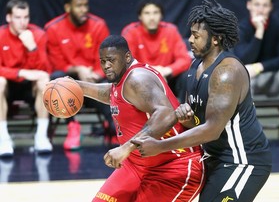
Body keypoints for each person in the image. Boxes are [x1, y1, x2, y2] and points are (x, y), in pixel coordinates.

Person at [131, 0, 272, 202]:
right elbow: (197, 122)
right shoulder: (195, 66)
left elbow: (211, 130)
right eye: (190, 34)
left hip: (244, 161)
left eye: (196, 36)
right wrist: (184, 117)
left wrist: (160, 146)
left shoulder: (227, 72)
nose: (189, 40)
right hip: (213, 157)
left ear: (216, 39)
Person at [75, 35, 205, 201]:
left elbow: (165, 113)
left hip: (173, 165)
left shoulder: (138, 79)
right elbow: (113, 94)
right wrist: (78, 86)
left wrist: (126, 148)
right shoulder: (123, 79)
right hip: (137, 164)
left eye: (111, 60)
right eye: (102, 61)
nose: (106, 66)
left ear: (127, 57)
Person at [45, 0, 116, 150]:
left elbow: (107, 58)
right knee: (55, 77)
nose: (84, 9)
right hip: (68, 85)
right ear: (68, 8)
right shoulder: (53, 28)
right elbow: (55, 64)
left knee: (113, 79)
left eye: (86, 5)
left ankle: (113, 126)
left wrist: (96, 74)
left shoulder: (98, 25)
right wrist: (78, 70)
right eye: (79, 6)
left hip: (94, 82)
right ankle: (73, 127)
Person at [234, 0, 279, 143]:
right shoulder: (242, 28)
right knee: (242, 78)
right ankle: (249, 132)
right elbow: (243, 59)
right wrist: (259, 33)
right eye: (257, 4)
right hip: (251, 80)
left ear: (270, 7)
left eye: (265, 5)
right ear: (249, 5)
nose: (261, 9)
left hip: (273, 77)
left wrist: (259, 67)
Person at [0, 0, 52, 156]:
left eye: (26, 17)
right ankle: (3, 140)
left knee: (45, 81)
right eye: (17, 17)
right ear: (9, 18)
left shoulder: (38, 35)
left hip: (30, 87)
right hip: (8, 87)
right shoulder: (1, 35)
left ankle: (41, 138)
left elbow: (44, 70)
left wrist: (32, 48)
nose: (22, 22)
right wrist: (19, 72)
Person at [121, 0, 192, 102]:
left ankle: (185, 114)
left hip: (167, 77)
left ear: (161, 15)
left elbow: (185, 59)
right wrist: (153, 71)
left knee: (188, 76)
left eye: (155, 12)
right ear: (140, 16)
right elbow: (126, 63)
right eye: (147, 13)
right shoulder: (131, 32)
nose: (152, 17)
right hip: (141, 79)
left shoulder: (171, 30)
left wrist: (167, 70)